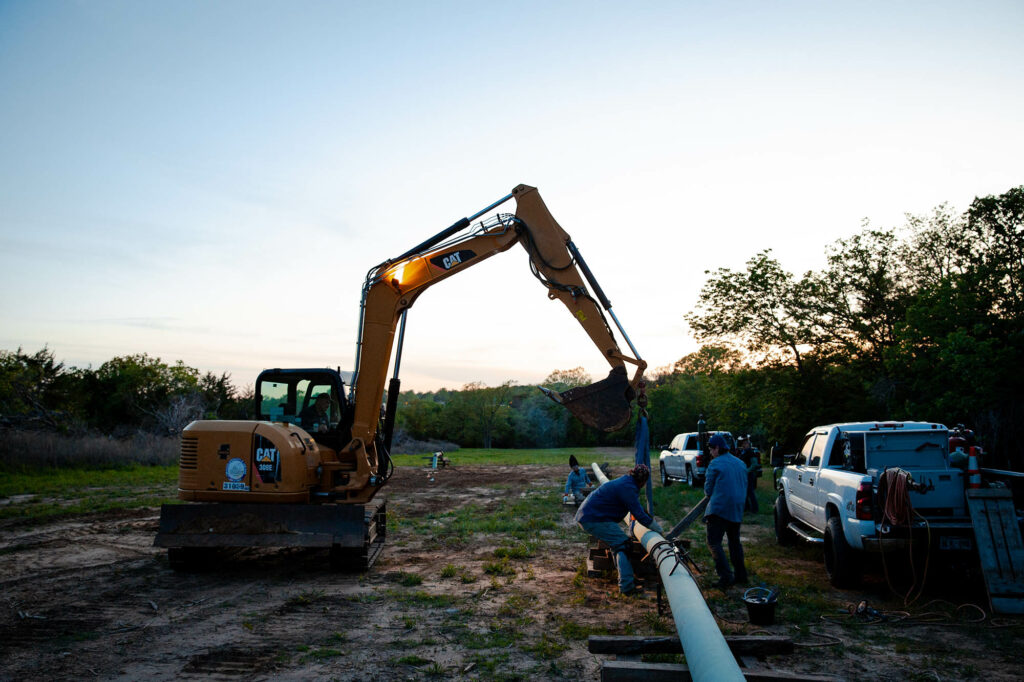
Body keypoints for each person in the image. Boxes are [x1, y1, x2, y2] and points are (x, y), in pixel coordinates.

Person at [575, 464, 662, 595]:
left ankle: (626, 579)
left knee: (618, 544)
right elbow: (639, 514)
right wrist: (657, 529)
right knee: (623, 545)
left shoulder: (627, 482)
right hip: (593, 518)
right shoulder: (628, 487)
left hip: (591, 515)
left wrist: (647, 517)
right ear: (644, 481)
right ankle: (626, 587)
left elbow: (636, 507)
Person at [703, 433, 748, 589]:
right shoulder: (741, 464)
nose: (710, 452)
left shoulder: (715, 464)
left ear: (717, 448)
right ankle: (741, 575)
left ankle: (725, 577)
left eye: (711, 449)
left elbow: (708, 491)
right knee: (734, 542)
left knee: (713, 542)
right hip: (736, 508)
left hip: (720, 509)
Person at [737, 435, 760, 513]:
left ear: (748, 444)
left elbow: (754, 464)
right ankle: (746, 508)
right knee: (744, 492)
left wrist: (746, 471)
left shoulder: (750, 452)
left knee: (750, 492)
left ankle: (755, 509)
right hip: (744, 475)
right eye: (743, 443)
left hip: (749, 475)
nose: (744, 445)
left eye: (745, 443)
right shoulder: (743, 452)